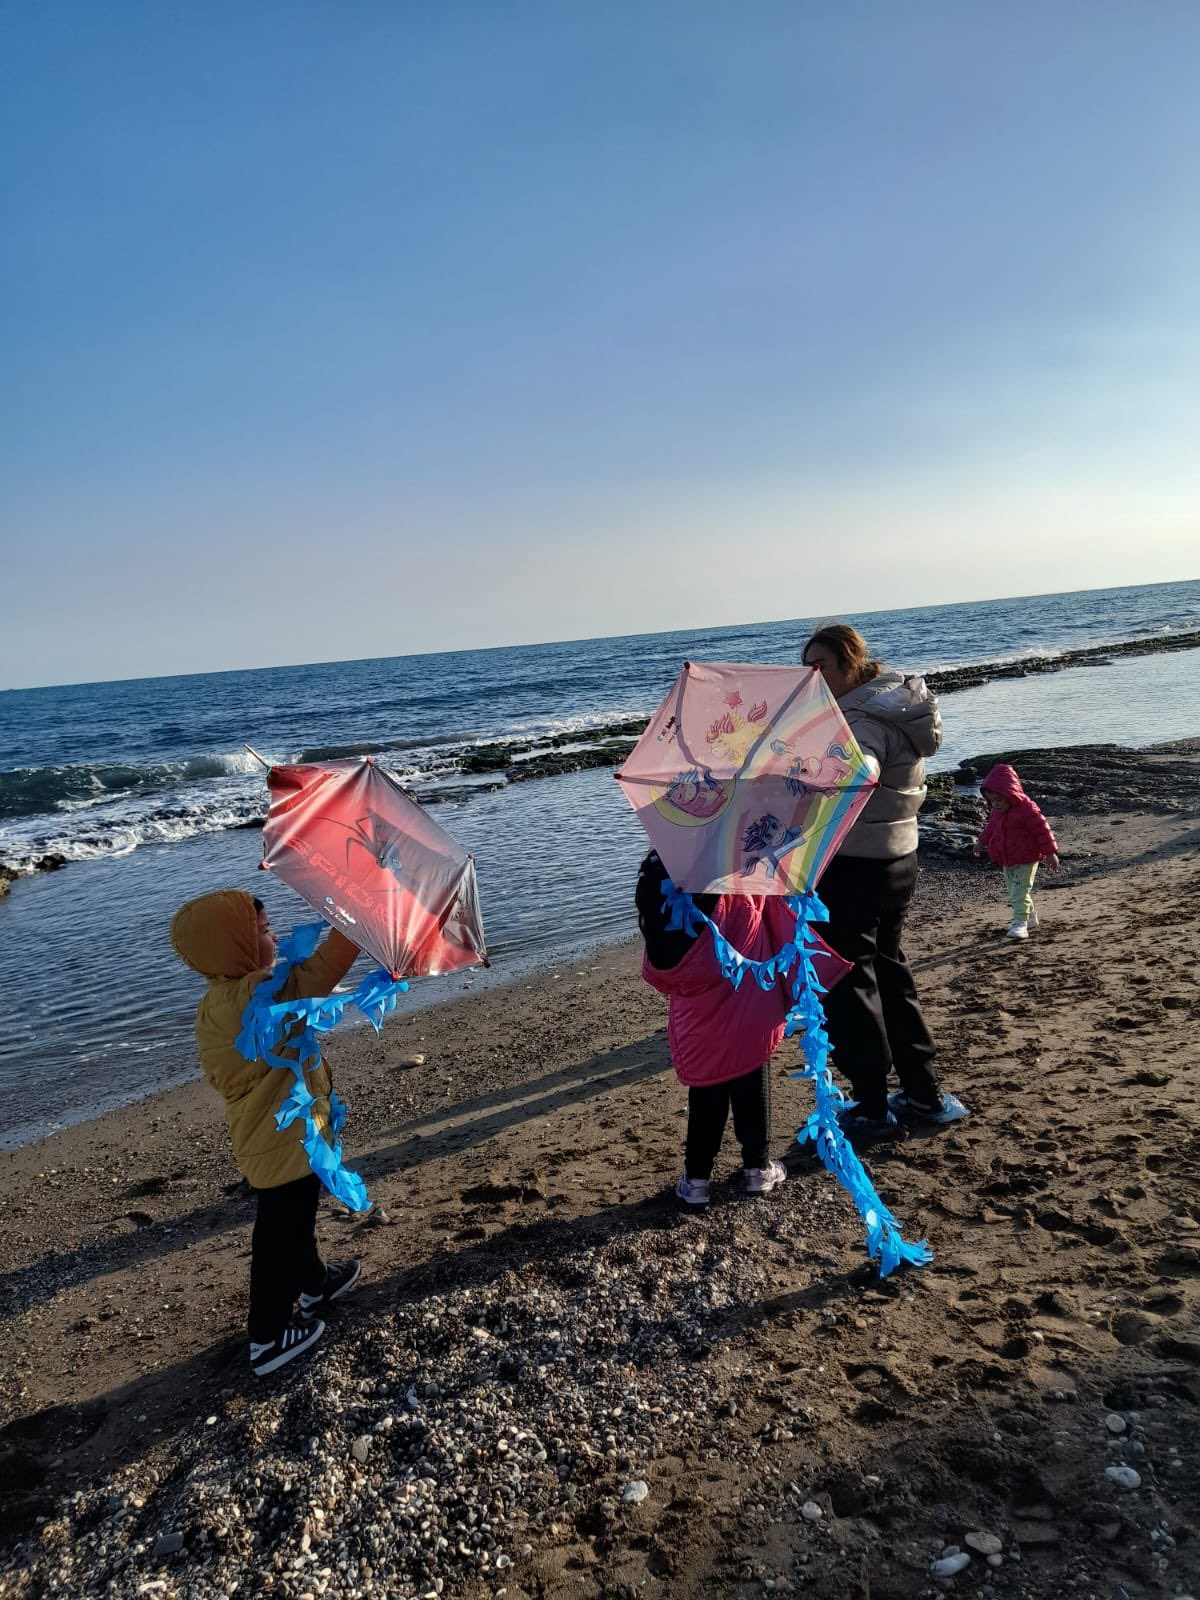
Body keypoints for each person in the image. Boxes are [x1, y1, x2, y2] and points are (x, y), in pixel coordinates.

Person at [169, 890, 363, 1376]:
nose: (272, 936)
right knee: (280, 1235)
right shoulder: (259, 996)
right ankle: (267, 1336)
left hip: (272, 1141)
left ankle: (315, 1284)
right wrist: (359, 917)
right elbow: (321, 972)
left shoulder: (217, 1000)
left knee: (295, 1221)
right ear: (230, 945)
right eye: (260, 931)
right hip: (284, 1142)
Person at [800, 623, 968, 1138]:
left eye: (820, 666)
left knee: (852, 982)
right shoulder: (895, 705)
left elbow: (860, 770)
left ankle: (872, 1107)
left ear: (850, 663)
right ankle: (923, 1092)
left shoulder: (860, 719)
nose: (812, 677)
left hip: (855, 864)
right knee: (889, 970)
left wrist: (809, 775)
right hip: (897, 858)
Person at [636, 851, 797, 1206]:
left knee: (706, 1088)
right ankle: (757, 1169)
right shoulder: (741, 871)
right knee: (752, 1076)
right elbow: (775, 904)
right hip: (750, 1000)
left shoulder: (661, 871)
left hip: (697, 1009)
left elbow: (650, 921)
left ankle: (696, 1180)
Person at [974, 763, 1060, 938]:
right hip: (1007, 858)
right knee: (1014, 890)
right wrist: (981, 842)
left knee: (1019, 892)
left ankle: (1020, 923)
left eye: (999, 800)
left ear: (1011, 795)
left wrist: (1051, 853)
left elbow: (1042, 830)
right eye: (991, 801)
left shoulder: (1027, 809)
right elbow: (990, 829)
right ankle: (1030, 917)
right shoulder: (996, 812)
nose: (995, 804)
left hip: (1027, 857)